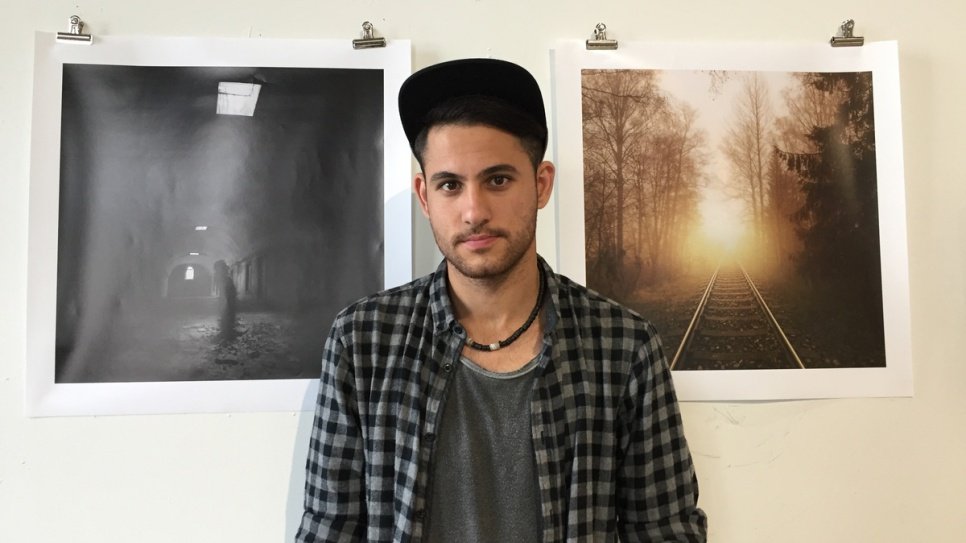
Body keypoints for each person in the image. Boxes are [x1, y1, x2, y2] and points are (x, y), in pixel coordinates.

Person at [296, 58, 707, 542]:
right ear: (425, 197)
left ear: (541, 184)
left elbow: (667, 533)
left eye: (497, 180)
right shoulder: (362, 344)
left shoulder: (625, 348)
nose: (474, 211)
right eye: (451, 185)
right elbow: (328, 533)